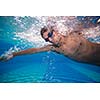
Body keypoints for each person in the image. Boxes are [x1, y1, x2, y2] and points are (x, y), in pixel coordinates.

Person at [0, 26, 100, 66]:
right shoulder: (55, 48)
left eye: (50, 35)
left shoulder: (72, 35)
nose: (50, 40)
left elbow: (91, 29)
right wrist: (13, 54)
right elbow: (34, 50)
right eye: (47, 39)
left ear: (55, 32)